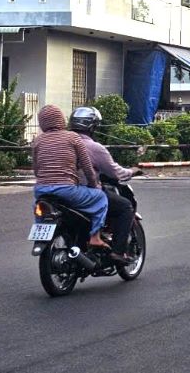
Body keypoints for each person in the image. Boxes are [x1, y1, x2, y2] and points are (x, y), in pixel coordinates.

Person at [69, 106, 142, 264]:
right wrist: (132, 171)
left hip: (55, 191)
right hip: (82, 191)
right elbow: (115, 172)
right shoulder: (93, 147)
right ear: (92, 127)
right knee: (125, 207)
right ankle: (117, 251)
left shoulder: (61, 143)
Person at [31, 104, 110, 251]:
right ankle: (95, 237)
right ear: (61, 120)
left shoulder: (38, 141)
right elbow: (87, 167)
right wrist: (94, 185)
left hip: (41, 190)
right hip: (67, 190)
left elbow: (36, 169)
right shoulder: (73, 137)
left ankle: (39, 235)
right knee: (101, 198)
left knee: (37, 206)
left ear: (42, 123)